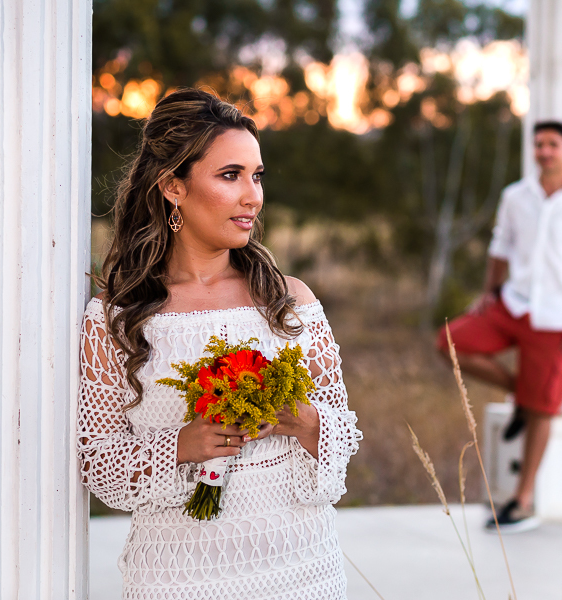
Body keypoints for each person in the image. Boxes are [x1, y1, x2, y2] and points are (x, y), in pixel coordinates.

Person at [77, 88, 362, 599]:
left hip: (301, 567)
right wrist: (182, 446)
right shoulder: (116, 320)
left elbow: (341, 439)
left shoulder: (289, 302)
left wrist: (301, 419)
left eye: (256, 176)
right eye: (230, 176)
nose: (252, 195)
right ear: (173, 187)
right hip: (178, 576)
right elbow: (99, 464)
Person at [437, 121, 562, 533]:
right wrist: (489, 292)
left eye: (553, 144)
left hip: (560, 319)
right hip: (513, 304)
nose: (544, 151)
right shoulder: (516, 197)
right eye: (539, 144)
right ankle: (521, 392)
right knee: (449, 341)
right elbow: (500, 246)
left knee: (543, 410)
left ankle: (521, 501)